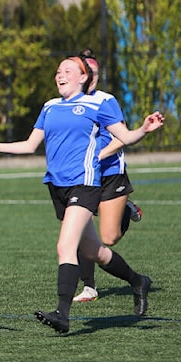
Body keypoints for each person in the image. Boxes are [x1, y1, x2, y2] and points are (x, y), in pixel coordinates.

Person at [0, 56, 163, 333]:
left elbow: (125, 136)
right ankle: (137, 280)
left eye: (67, 71)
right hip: (57, 187)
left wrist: (144, 129)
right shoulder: (49, 107)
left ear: (83, 78)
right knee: (93, 250)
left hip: (84, 185)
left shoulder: (99, 104)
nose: (60, 75)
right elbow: (30, 145)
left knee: (65, 246)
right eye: (58, 71)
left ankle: (62, 314)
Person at [72, 49, 143, 303]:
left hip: (111, 173)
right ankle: (89, 287)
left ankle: (125, 209)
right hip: (84, 175)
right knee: (80, 227)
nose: (93, 78)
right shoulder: (69, 102)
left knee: (109, 238)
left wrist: (97, 155)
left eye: (96, 74)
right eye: (89, 73)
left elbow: (120, 138)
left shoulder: (106, 100)